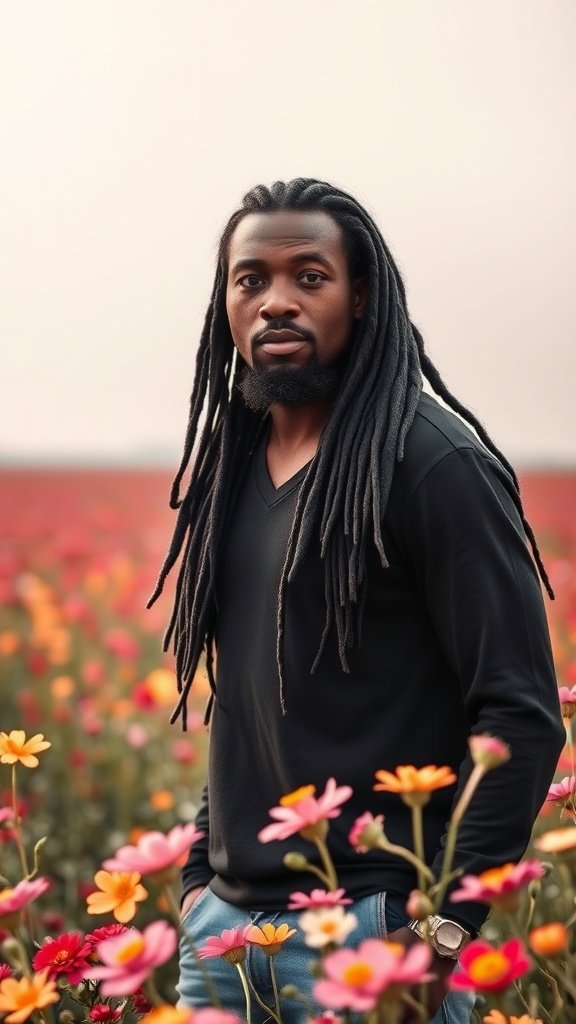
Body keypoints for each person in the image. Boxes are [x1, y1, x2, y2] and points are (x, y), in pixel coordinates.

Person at [148, 178, 565, 1024]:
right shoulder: (233, 465)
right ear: (226, 301)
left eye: (310, 276)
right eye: (251, 279)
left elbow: (521, 713)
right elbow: (251, 703)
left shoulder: (430, 464)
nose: (276, 301)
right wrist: (199, 880)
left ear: (362, 295)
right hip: (223, 943)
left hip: (376, 935)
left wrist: (443, 932)